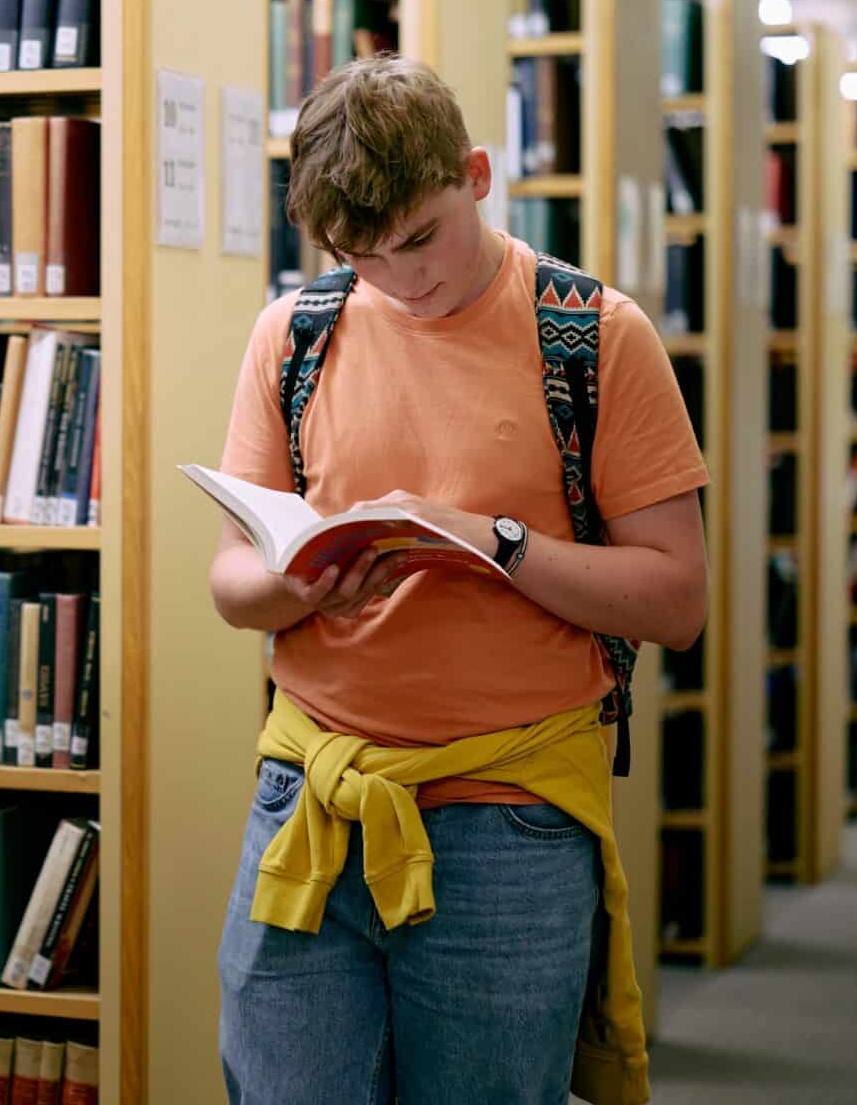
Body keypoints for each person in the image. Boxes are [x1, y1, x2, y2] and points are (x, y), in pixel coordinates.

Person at [208, 55, 709, 1105]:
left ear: (477, 174)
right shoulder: (294, 333)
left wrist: (496, 540)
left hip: (508, 815)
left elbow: (677, 598)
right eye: (362, 254)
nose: (400, 279)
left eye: (420, 239)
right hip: (309, 794)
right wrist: (305, 584)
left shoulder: (594, 338)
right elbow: (231, 579)